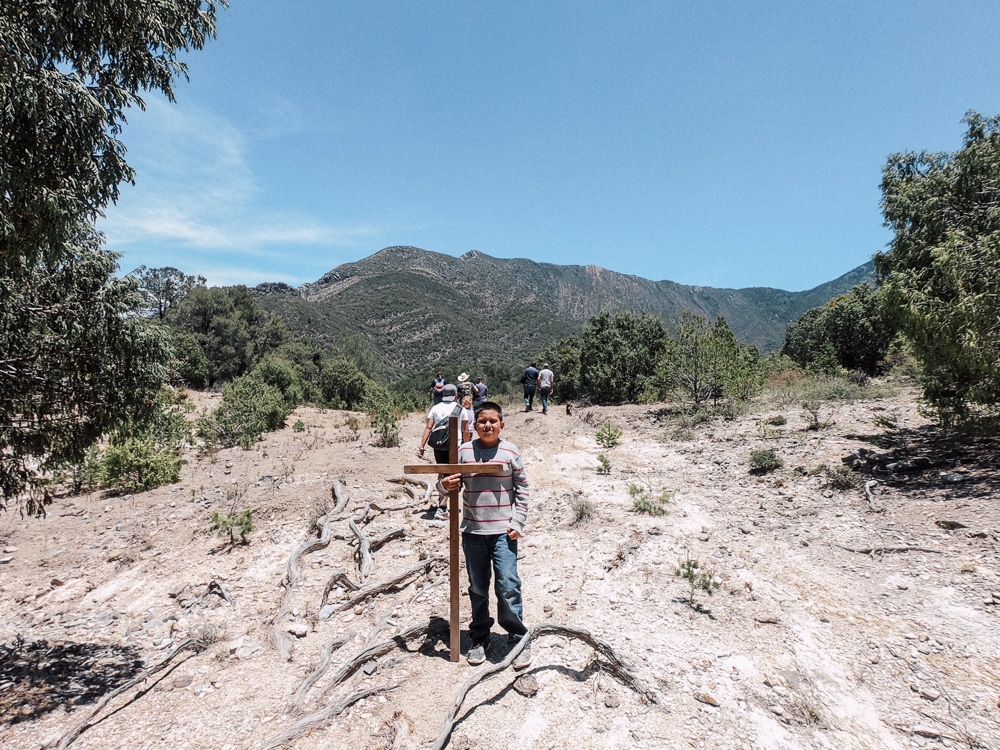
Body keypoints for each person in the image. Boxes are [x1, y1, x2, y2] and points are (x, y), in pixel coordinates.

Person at [440, 401, 532, 670]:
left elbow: (523, 489)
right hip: (473, 531)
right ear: (474, 424)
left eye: (493, 421)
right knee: (477, 587)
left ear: (502, 424)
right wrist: (444, 486)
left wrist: (518, 521)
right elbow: (446, 483)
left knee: (508, 585)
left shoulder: (510, 451)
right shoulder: (464, 451)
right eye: (482, 421)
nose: (488, 425)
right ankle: (480, 637)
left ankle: (518, 638)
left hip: (504, 532)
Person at [417, 383, 462, 520]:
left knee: (442, 471)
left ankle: (441, 500)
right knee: (453, 473)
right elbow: (466, 429)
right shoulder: (459, 408)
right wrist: (468, 446)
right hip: (456, 445)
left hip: (439, 445)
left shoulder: (435, 408)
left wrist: (422, 446)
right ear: (456, 395)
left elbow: (429, 427)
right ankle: (442, 507)